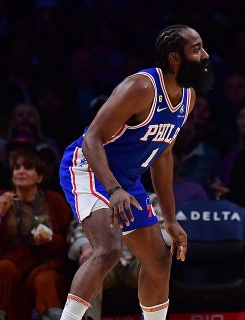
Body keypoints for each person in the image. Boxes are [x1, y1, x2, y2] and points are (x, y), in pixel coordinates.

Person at [58, 24, 213, 320]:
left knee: (158, 259)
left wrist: (169, 219)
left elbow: (163, 156)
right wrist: (114, 190)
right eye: (196, 49)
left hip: (125, 181)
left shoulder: (188, 98)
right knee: (108, 249)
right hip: (88, 167)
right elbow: (92, 139)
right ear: (174, 58)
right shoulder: (140, 87)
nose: (205, 56)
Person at [0, 149, 73, 320]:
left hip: (45, 262)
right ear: (12, 175)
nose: (21, 171)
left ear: (40, 176)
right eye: (17, 168)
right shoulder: (0, 198)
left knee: (45, 279)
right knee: (3, 268)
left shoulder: (54, 201)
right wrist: (0, 214)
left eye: (28, 167)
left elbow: (67, 242)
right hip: (10, 260)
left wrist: (50, 240)